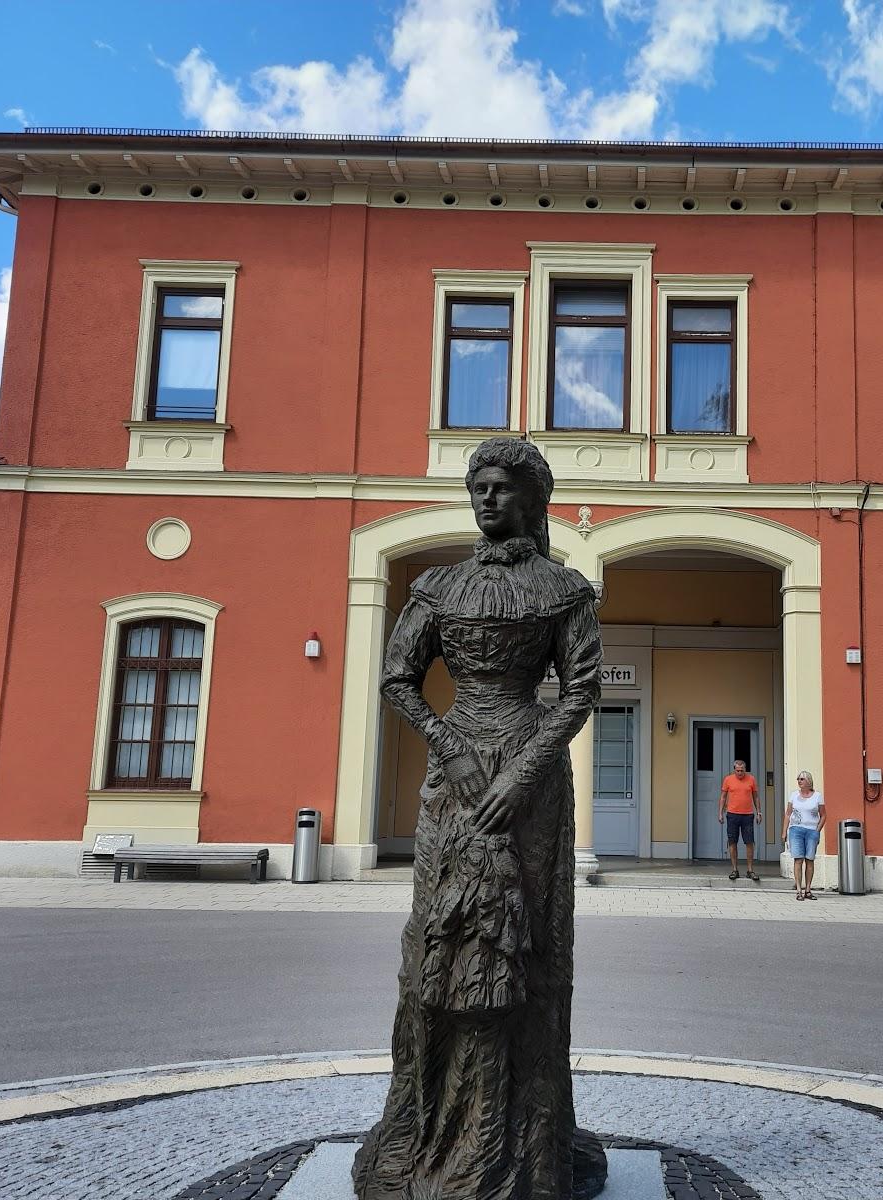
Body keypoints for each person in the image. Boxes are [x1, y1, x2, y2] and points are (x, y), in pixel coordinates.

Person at [353, 437, 607, 1200]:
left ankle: (526, 1148)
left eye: (502, 488)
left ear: (531, 499)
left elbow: (580, 689)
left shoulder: (563, 589)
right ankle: (425, 1133)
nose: (488, 498)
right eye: (480, 487)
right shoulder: (436, 585)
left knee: (523, 946)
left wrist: (524, 770)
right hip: (453, 780)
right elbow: (398, 679)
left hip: (531, 784)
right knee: (443, 934)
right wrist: (451, 749)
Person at [783, 769, 826, 900]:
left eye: (802, 779)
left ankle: (808, 889)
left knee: (809, 860)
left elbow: (823, 815)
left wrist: (817, 830)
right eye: (798, 779)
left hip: (811, 830)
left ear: (808, 781)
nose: (799, 781)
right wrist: (784, 831)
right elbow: (788, 814)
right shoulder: (794, 795)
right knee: (798, 859)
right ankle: (798, 890)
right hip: (796, 830)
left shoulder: (817, 796)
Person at [718, 758, 762, 881]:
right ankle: (735, 869)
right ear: (734, 770)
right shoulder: (728, 779)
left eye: (742, 770)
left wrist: (759, 812)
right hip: (732, 814)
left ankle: (750, 870)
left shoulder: (751, 779)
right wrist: (720, 813)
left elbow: (756, 797)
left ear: (745, 769)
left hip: (747, 815)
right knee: (732, 841)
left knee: (749, 842)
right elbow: (723, 797)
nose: (740, 773)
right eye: (737, 771)